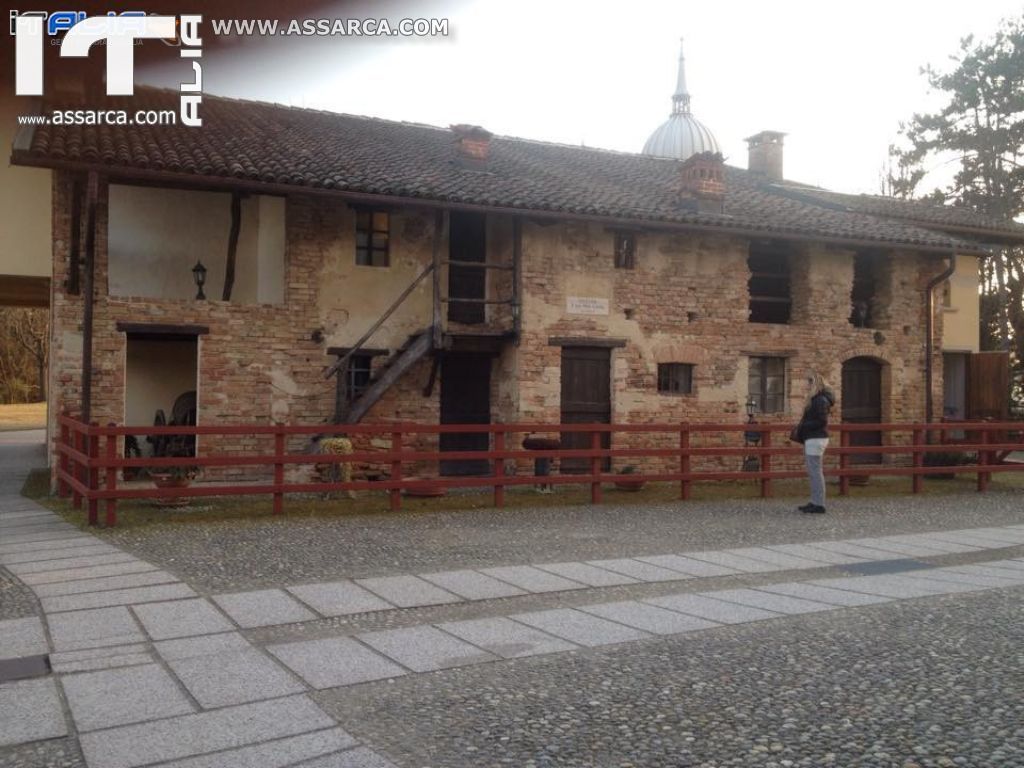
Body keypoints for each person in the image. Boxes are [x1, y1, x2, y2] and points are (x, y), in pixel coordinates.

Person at [793, 373, 835, 514]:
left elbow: (822, 421)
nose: (807, 386)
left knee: (815, 472)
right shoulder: (818, 399)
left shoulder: (820, 400)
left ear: (814, 384)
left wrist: (804, 426)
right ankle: (815, 501)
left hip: (816, 438)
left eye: (809, 383)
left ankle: (819, 504)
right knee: (813, 471)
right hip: (813, 438)